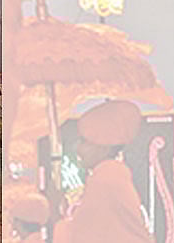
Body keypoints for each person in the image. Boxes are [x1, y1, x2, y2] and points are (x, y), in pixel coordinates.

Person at [51, 100, 152, 243]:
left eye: (84, 142)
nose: (78, 149)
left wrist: (54, 212)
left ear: (104, 148)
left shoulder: (106, 180)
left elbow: (80, 237)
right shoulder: (111, 176)